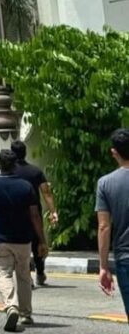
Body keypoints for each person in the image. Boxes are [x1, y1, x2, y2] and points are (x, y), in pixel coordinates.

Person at [0, 148, 47, 331]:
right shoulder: (26, 186)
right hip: (23, 239)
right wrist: (41, 239)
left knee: (3, 273)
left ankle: (11, 306)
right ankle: (26, 314)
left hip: (1, 238)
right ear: (15, 164)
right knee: (24, 275)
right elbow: (34, 215)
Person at [11, 139, 58, 286]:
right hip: (35, 213)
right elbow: (47, 193)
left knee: (21, 246)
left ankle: (27, 275)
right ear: (25, 153)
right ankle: (40, 272)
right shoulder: (35, 171)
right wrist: (53, 211)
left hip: (16, 215)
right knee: (38, 242)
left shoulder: (9, 172)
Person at [96, 127, 129, 320]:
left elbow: (104, 226)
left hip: (125, 257)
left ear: (114, 152)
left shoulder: (105, 183)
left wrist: (103, 266)